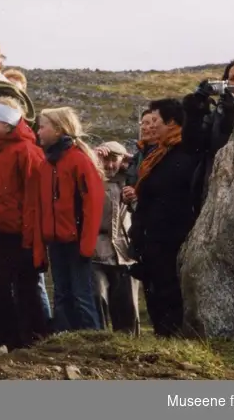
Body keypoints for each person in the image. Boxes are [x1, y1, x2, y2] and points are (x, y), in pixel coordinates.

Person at [122, 98, 198, 337]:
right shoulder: (158, 154)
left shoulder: (182, 155)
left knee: (168, 293)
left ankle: (170, 339)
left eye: (156, 120)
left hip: (170, 237)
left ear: (172, 123)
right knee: (155, 292)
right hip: (152, 236)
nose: (150, 126)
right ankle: (162, 337)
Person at [28, 106, 105, 332]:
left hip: (76, 241)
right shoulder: (46, 165)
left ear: (59, 130)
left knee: (81, 294)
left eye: (42, 127)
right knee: (62, 293)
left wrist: (87, 245)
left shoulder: (78, 161)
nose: (38, 133)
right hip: (56, 240)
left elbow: (93, 204)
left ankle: (91, 339)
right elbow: (41, 208)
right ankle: (66, 339)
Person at [0, 98, 47, 349]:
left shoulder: (27, 152)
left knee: (25, 288)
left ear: (8, 123)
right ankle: (9, 339)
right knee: (0, 287)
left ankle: (31, 339)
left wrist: (30, 238)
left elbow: (32, 198)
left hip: (19, 234)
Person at [184, 58, 234, 214]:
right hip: (212, 193)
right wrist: (195, 112)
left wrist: (231, 116)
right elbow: (193, 146)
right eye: (231, 79)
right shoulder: (219, 111)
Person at [92, 141, 139, 335]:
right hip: (96, 249)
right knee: (97, 299)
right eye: (106, 160)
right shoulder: (91, 178)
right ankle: (98, 338)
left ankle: (128, 344)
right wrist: (92, 157)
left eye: (115, 160)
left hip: (124, 250)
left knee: (127, 304)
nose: (110, 166)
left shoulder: (132, 180)